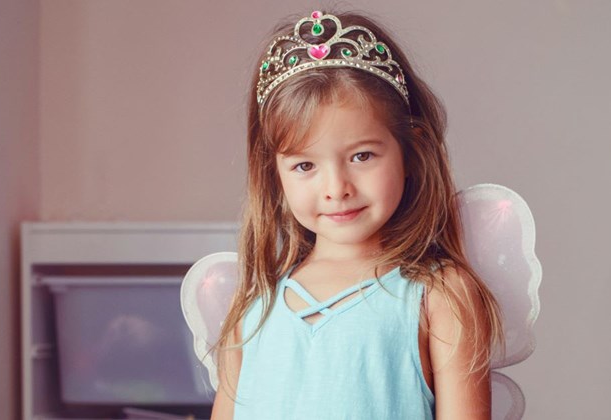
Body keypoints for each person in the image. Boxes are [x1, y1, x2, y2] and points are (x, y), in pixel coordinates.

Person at [211, 9, 504, 420]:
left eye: (362, 155)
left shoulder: (439, 295)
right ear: (274, 174)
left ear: (409, 153)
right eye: (305, 166)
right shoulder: (251, 307)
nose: (337, 188)